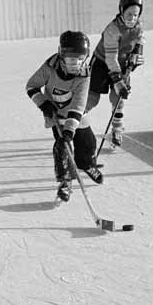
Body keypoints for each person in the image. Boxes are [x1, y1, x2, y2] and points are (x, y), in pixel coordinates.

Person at [26, 30, 102, 203]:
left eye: (80, 58)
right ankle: (65, 181)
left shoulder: (84, 75)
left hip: (75, 115)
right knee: (62, 147)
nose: (75, 63)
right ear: (62, 56)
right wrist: (43, 103)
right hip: (55, 113)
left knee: (88, 142)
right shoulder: (50, 67)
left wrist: (70, 130)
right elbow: (31, 86)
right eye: (70, 59)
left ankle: (86, 164)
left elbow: (78, 105)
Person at [86, 0, 145, 149]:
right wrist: (118, 81)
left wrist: (137, 55)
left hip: (122, 62)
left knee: (118, 99)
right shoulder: (112, 29)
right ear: (121, 11)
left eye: (135, 14)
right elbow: (110, 58)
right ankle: (72, 125)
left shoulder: (138, 25)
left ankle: (116, 130)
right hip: (102, 62)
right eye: (129, 14)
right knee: (92, 99)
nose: (132, 18)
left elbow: (140, 40)